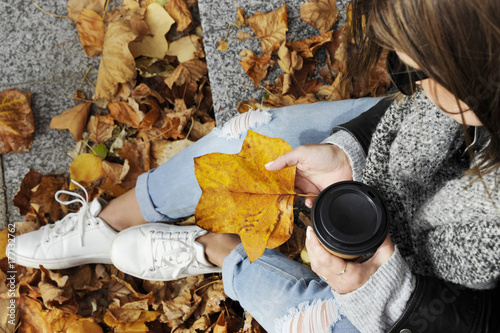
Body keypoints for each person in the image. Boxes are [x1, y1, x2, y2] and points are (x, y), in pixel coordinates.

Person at [13, 0, 500, 331]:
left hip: (438, 299)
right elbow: (407, 108)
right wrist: (348, 150)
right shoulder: (442, 98)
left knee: (312, 324)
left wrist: (389, 295)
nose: (413, 86)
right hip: (405, 172)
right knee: (253, 137)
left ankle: (220, 251)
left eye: (426, 70)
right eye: (404, 70)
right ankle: (110, 220)